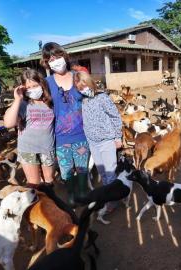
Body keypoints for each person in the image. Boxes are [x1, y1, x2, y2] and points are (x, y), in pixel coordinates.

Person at [40, 42, 90, 207]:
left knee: (82, 168)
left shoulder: (78, 76)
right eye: (50, 59)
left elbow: (91, 99)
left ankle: (83, 192)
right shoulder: (46, 83)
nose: (55, 61)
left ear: (65, 56)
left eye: (58, 56)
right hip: (60, 137)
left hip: (82, 133)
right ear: (46, 63)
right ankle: (71, 194)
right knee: (66, 169)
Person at [74, 71, 122, 212]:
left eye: (84, 86)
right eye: (79, 88)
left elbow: (115, 116)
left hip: (107, 141)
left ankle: (113, 201)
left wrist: (117, 137)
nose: (83, 90)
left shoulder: (102, 97)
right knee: (102, 173)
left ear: (90, 83)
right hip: (93, 143)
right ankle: (109, 196)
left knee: (110, 172)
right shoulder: (84, 100)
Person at [3, 69, 55, 188]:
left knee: (49, 180)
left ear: (42, 84)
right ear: (24, 88)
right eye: (29, 87)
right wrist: (17, 99)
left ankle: (49, 202)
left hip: (48, 148)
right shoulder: (23, 104)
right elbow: (8, 123)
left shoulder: (50, 102)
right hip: (28, 150)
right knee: (33, 184)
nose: (33, 89)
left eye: (35, 85)